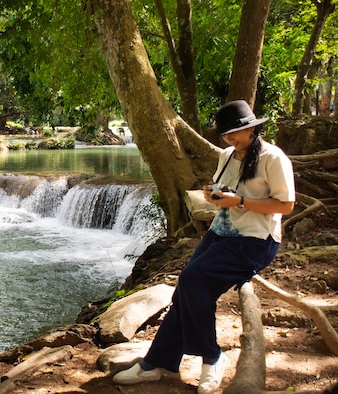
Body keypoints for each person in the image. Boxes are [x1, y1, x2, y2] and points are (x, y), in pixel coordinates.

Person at [112, 100, 296, 394]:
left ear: (252, 128)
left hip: (255, 241)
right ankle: (155, 363)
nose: (230, 139)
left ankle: (212, 356)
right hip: (220, 233)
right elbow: (222, 190)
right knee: (186, 292)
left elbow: (286, 204)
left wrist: (241, 201)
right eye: (226, 135)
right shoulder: (226, 155)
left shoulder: (273, 159)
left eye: (235, 133)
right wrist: (213, 195)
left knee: (191, 280)